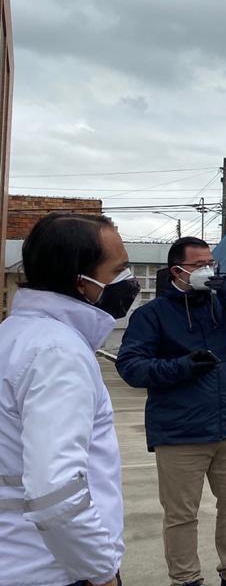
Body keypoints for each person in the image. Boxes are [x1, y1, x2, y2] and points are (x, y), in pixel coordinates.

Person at [115, 236, 226, 586]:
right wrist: (182, 366)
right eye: (199, 265)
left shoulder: (223, 308)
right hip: (179, 433)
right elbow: (132, 367)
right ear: (177, 271)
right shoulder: (151, 315)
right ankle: (185, 579)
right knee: (181, 515)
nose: (208, 270)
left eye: (211, 264)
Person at [0, 213, 137, 586]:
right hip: (51, 570)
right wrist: (100, 571)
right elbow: (55, 492)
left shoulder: (14, 336)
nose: (130, 281)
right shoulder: (57, 352)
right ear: (83, 283)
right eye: (119, 270)